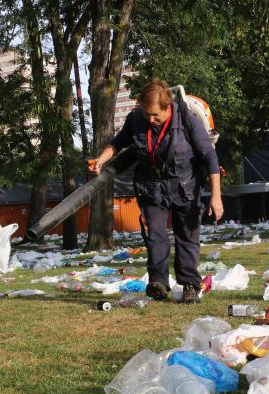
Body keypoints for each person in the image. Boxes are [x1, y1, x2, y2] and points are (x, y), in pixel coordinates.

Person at [89, 79, 223, 303]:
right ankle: (158, 283)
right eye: (146, 113)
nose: (150, 120)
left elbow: (209, 157)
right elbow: (118, 143)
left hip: (185, 185)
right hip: (151, 186)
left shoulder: (187, 120)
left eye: (155, 115)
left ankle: (190, 284)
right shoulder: (137, 119)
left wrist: (216, 196)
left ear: (167, 107)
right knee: (156, 236)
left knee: (187, 236)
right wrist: (101, 160)